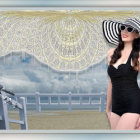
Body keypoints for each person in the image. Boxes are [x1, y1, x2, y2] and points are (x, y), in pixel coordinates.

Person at [102, 18, 140, 130]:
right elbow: (110, 82)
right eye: (123, 28)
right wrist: (108, 109)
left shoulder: (138, 55)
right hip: (116, 107)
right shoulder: (111, 53)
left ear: (137, 35)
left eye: (129, 29)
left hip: (133, 104)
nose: (124, 31)